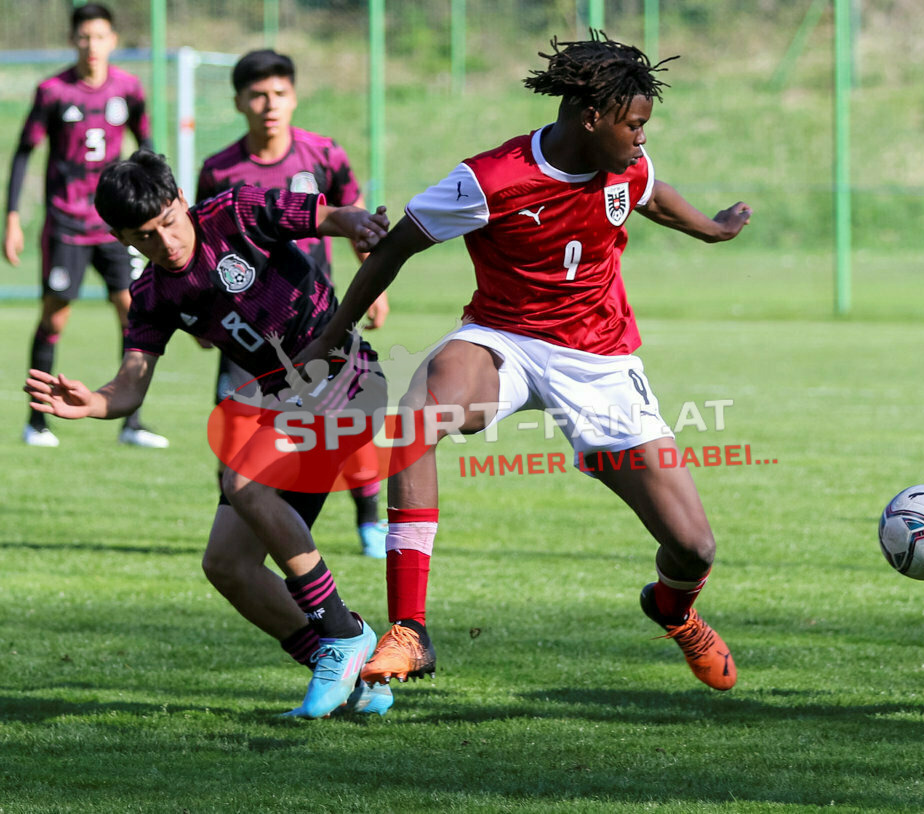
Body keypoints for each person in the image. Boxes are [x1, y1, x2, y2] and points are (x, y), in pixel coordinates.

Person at [301, 32, 753, 692]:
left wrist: (712, 229)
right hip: (502, 340)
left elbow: (652, 194)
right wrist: (334, 332)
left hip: (600, 361)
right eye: (634, 125)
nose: (642, 139)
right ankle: (410, 630)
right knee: (416, 418)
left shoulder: (623, 164)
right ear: (590, 117)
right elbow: (395, 247)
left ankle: (672, 608)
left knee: (695, 547)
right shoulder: (491, 179)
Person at [24, 150, 392, 719]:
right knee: (227, 565)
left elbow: (330, 215)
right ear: (124, 238)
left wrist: (358, 224)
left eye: (170, 222)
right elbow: (131, 384)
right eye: (144, 237)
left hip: (343, 370)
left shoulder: (239, 212)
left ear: (181, 201)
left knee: (243, 481)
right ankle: (358, 674)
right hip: (284, 400)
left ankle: (344, 634)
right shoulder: (152, 294)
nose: (165, 243)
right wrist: (94, 403)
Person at [196, 49, 389, 559]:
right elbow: (203, 241)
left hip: (316, 324)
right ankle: (250, 528)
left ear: (294, 96)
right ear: (238, 101)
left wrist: (378, 286)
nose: (269, 104)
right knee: (236, 426)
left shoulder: (324, 154)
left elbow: (355, 219)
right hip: (243, 322)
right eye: (257, 95)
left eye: (279, 93)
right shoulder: (219, 170)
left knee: (344, 419)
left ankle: (369, 519)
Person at [4, 2, 167, 449]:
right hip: (64, 224)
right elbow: (23, 153)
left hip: (117, 228)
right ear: (73, 40)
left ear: (112, 40)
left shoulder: (129, 89)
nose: (91, 45)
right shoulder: (53, 91)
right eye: (83, 37)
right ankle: (36, 421)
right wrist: (13, 218)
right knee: (55, 317)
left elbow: (147, 148)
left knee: (132, 315)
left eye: (99, 37)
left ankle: (131, 422)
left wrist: (160, 205)